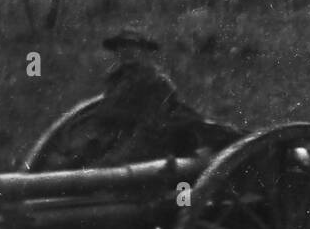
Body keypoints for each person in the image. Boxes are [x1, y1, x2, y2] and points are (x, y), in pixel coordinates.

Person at [86, 29, 242, 166]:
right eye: (122, 46)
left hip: (150, 143)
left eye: (132, 46)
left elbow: (152, 125)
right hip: (116, 140)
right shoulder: (115, 80)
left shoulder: (155, 81)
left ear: (143, 51)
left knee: (107, 166)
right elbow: (104, 117)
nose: (127, 51)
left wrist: (120, 155)